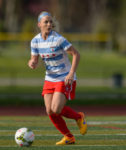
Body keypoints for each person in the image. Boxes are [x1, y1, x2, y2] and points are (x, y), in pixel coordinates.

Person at [28, 11, 87, 145]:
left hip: (63, 77)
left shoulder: (58, 39)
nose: (49, 24)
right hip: (50, 78)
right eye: (46, 22)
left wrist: (71, 73)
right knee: (49, 111)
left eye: (50, 22)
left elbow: (76, 54)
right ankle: (69, 137)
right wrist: (32, 63)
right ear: (39, 25)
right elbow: (34, 60)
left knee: (56, 109)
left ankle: (79, 117)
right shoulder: (35, 41)